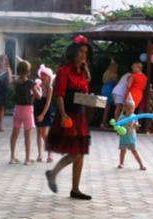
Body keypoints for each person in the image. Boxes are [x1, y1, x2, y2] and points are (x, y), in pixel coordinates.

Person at [45, 36, 92, 200]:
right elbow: (59, 95)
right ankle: (53, 173)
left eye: (85, 52)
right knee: (76, 153)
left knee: (81, 153)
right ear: (73, 52)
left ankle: (75, 189)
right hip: (68, 115)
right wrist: (63, 114)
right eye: (81, 51)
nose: (83, 55)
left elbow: (83, 95)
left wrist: (94, 102)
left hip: (80, 115)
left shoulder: (84, 72)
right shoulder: (64, 71)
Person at [9, 60, 42, 165]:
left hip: (17, 108)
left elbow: (11, 86)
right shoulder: (30, 83)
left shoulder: (16, 82)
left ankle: (12, 157)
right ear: (28, 71)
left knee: (14, 133)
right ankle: (27, 159)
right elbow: (39, 96)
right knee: (27, 135)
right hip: (27, 110)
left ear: (18, 70)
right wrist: (39, 89)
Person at [33, 65, 55, 163]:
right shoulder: (38, 85)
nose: (42, 77)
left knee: (44, 133)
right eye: (41, 75)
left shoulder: (50, 88)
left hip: (46, 110)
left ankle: (50, 152)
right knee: (38, 133)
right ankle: (40, 154)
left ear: (49, 77)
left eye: (44, 75)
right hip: (37, 108)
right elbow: (34, 99)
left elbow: (48, 102)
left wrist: (42, 114)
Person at [116, 99, 145, 170]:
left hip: (131, 137)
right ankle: (121, 163)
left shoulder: (134, 116)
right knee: (123, 151)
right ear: (125, 108)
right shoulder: (122, 117)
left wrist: (136, 125)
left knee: (134, 151)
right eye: (128, 108)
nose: (130, 110)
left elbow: (136, 125)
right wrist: (118, 131)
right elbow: (118, 125)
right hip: (123, 137)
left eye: (132, 108)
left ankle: (141, 164)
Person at [99, 60, 119, 128]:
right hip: (109, 90)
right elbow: (116, 84)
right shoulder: (114, 75)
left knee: (103, 107)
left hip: (104, 89)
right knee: (107, 108)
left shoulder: (106, 73)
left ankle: (102, 122)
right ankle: (103, 123)